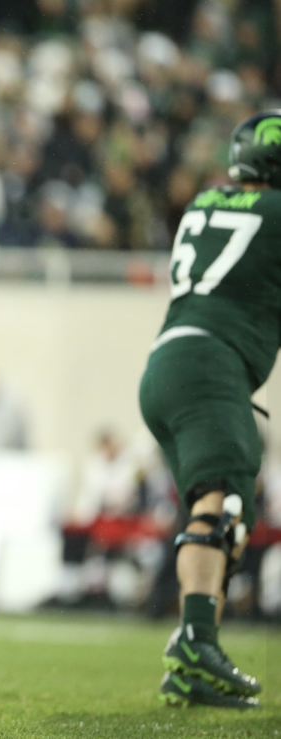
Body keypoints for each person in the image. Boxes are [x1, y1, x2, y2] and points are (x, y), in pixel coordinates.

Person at [138, 110, 281, 709]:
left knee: (226, 511)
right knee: (221, 502)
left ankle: (195, 663)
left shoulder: (204, 201)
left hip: (172, 364)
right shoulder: (274, 213)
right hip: (209, 366)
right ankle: (195, 642)